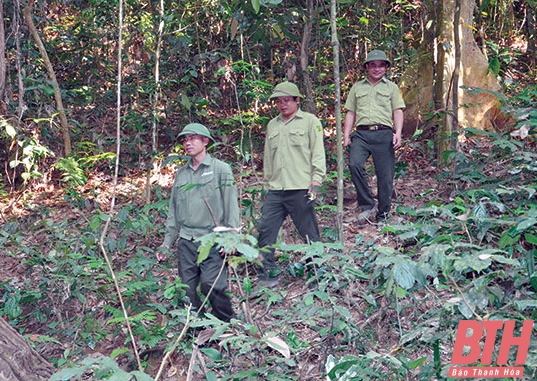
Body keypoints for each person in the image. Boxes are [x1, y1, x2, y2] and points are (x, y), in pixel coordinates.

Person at [156, 123, 240, 322]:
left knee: (213, 285)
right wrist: (166, 243)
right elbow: (174, 211)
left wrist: (231, 239)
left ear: (205, 141)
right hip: (186, 240)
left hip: (212, 239)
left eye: (193, 138)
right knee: (187, 289)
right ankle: (195, 328)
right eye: (185, 139)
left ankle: (227, 323)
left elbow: (231, 206)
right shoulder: (182, 174)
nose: (188, 143)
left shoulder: (221, 169)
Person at [256, 82, 326, 287]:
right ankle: (267, 276)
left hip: (300, 187)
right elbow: (268, 157)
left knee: (309, 234)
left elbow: (318, 153)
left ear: (297, 100)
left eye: (287, 100)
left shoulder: (310, 122)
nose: (282, 104)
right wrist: (267, 185)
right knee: (265, 231)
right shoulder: (273, 125)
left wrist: (317, 179)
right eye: (278, 101)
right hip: (277, 189)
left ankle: (318, 274)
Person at [342, 49, 405, 223]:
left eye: (381, 66)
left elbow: (397, 111)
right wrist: (346, 136)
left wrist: (397, 133)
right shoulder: (357, 87)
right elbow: (350, 112)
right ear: (367, 67)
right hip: (361, 134)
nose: (377, 69)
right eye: (373, 66)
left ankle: (383, 215)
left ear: (385, 67)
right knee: (355, 164)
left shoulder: (391, 88)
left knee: (385, 176)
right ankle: (367, 204)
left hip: (384, 134)